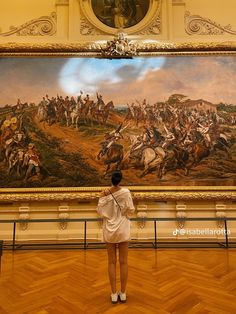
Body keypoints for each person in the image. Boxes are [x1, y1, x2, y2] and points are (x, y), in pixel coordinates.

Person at [97, 170, 135, 304]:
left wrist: (104, 196)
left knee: (111, 262)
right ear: (121, 180)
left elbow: (100, 212)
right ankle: (123, 293)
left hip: (109, 229)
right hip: (123, 227)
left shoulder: (104, 194)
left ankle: (113, 293)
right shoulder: (126, 192)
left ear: (111, 180)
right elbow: (131, 210)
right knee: (124, 261)